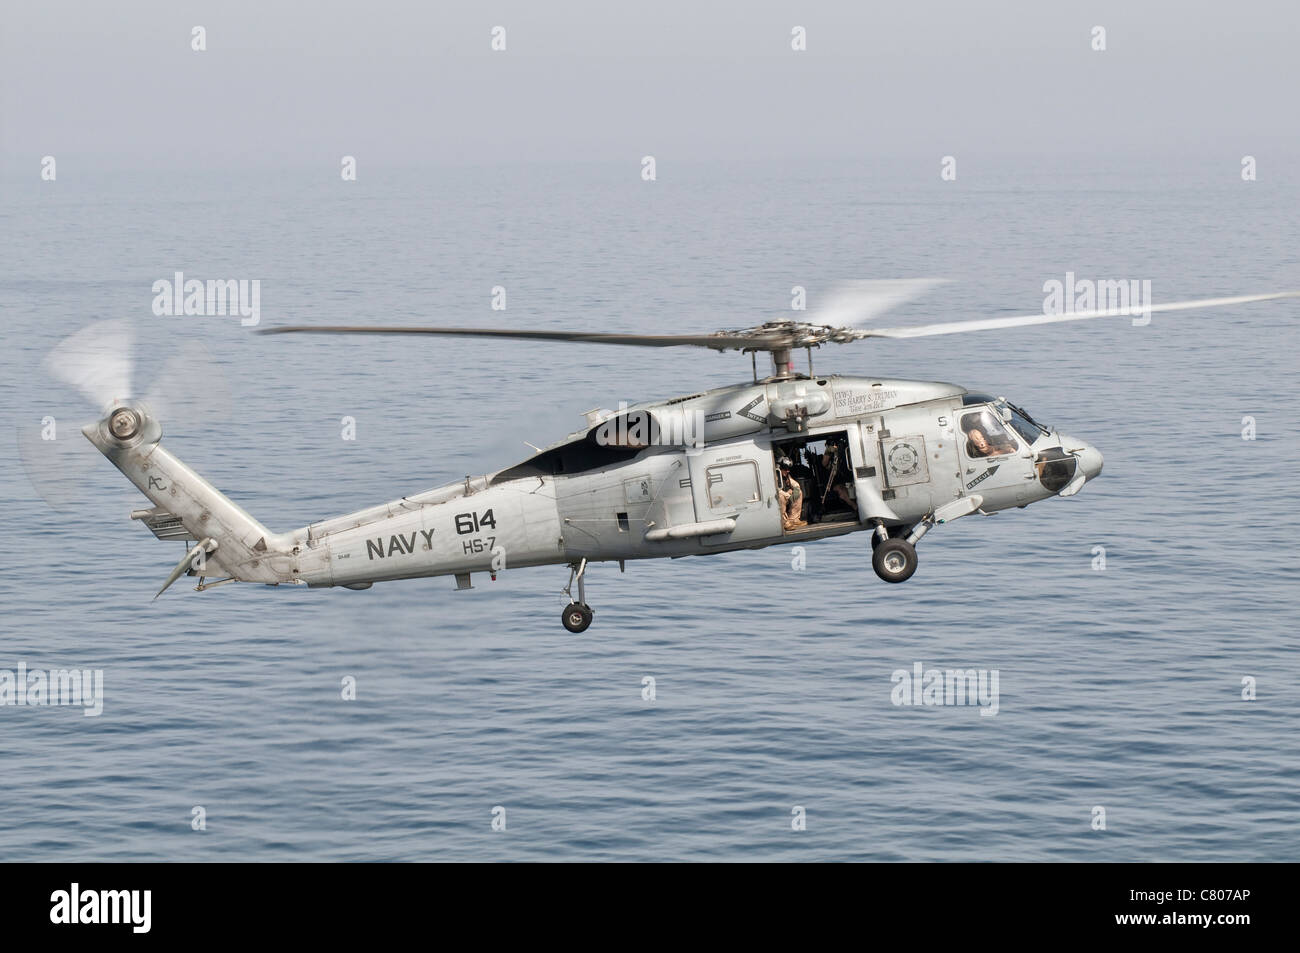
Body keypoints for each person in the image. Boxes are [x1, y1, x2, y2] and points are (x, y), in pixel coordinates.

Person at [819, 439, 854, 511]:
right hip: (833, 482)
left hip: (846, 478)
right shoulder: (830, 454)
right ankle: (855, 507)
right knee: (841, 491)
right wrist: (828, 451)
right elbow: (824, 463)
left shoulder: (843, 452)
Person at [776, 457, 805, 530]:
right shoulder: (775, 476)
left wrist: (796, 490)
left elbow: (794, 483)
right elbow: (777, 490)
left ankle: (794, 519)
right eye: (785, 469)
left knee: (799, 492)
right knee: (781, 496)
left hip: (786, 496)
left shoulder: (786, 476)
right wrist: (788, 496)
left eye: (788, 469)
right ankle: (784, 522)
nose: (787, 471)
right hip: (778, 497)